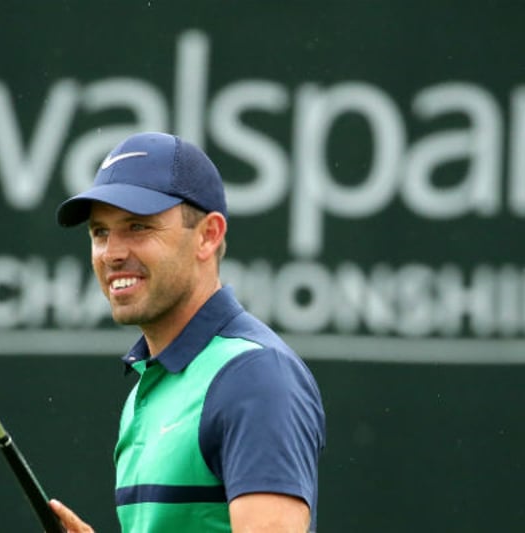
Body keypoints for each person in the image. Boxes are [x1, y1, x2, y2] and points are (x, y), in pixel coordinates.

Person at [48, 132, 326, 533]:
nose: (112, 253)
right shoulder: (147, 391)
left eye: (138, 226)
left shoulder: (255, 376)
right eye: (100, 232)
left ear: (208, 235)